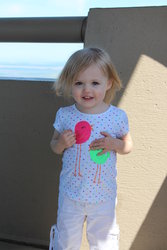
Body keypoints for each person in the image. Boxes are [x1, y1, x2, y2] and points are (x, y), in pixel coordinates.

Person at [49, 47, 133, 250]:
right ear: (70, 84)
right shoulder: (65, 114)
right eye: (79, 83)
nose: (87, 90)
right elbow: (54, 146)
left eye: (95, 83)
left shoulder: (117, 116)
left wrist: (114, 144)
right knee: (66, 241)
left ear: (108, 83)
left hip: (103, 196)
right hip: (71, 194)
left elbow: (128, 145)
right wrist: (61, 143)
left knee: (103, 243)